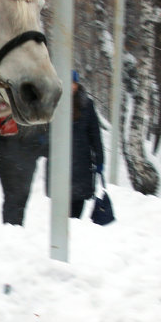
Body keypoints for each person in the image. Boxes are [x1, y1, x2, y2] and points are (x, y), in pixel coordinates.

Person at [0, 90, 47, 226]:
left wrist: (37, 150)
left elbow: (46, 134)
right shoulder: (3, 106)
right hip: (8, 162)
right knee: (12, 198)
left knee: (23, 199)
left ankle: (15, 231)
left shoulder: (35, 107)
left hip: (28, 160)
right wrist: (4, 150)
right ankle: (10, 230)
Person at [68, 70, 105, 218]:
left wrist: (100, 161)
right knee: (62, 207)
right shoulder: (55, 103)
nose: (70, 87)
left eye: (72, 83)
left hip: (81, 163)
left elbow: (95, 135)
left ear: (77, 84)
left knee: (77, 208)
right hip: (61, 165)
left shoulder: (86, 105)